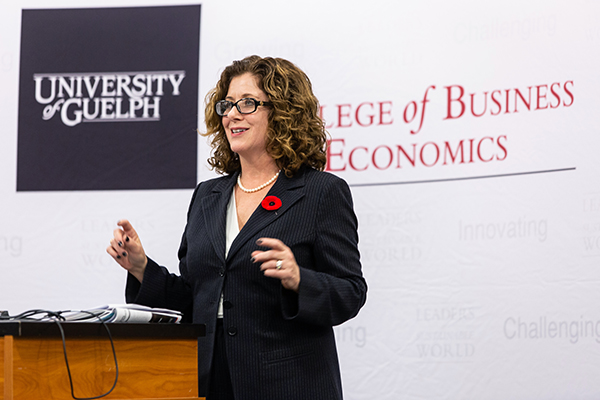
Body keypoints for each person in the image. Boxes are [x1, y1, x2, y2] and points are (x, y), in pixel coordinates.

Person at [107, 55, 367, 400]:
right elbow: (198, 299)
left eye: (247, 103)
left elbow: (350, 292)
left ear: (283, 112)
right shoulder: (207, 197)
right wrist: (141, 269)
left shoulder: (320, 192)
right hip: (210, 382)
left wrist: (299, 279)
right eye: (227, 105)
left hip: (289, 386)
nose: (231, 114)